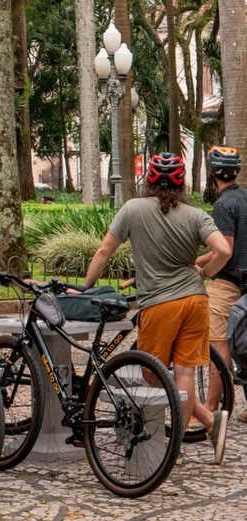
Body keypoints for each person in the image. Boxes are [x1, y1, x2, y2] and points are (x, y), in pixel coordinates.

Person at [82, 152, 232, 464]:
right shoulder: (195, 215)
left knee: (153, 375)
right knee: (184, 374)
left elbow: (104, 251)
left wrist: (85, 287)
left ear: (149, 179)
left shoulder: (132, 209)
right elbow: (223, 249)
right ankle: (205, 422)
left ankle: (175, 439)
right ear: (181, 184)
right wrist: (207, 272)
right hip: (195, 300)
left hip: (159, 304)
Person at [195, 146, 247, 423]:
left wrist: (205, 270)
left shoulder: (223, 205)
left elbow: (225, 249)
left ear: (213, 173)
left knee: (218, 347)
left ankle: (210, 408)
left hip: (227, 283)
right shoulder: (245, 198)